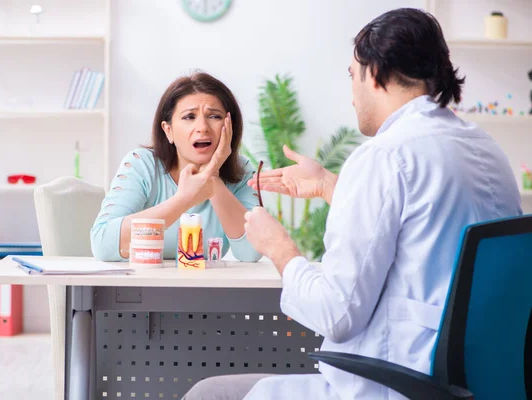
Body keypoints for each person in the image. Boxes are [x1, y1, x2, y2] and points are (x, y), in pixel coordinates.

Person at [183, 8, 522, 400]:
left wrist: (279, 248)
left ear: (374, 73)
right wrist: (330, 186)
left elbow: (336, 314)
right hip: (473, 381)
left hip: (399, 381)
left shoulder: (384, 155)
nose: (351, 93)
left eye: (352, 75)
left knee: (209, 393)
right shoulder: (483, 146)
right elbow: (425, 227)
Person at [91, 72, 262, 263]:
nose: (203, 127)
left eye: (214, 116)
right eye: (189, 117)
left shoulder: (241, 170)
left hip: (206, 287)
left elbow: (251, 253)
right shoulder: (141, 164)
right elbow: (103, 243)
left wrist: (212, 177)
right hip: (138, 287)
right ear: (168, 131)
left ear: (230, 127)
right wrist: (183, 200)